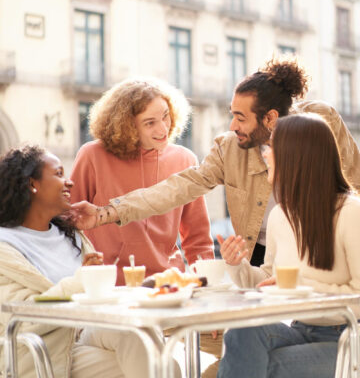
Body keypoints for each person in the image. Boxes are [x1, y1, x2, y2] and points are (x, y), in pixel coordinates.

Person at [70, 58, 360, 268]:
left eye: (241, 117)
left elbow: (355, 180)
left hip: (321, 246)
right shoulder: (230, 148)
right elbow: (175, 189)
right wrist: (105, 213)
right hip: (259, 256)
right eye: (231, 114)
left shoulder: (321, 123)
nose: (232, 125)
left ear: (270, 118)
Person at [0, 145, 180, 378]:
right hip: (44, 349)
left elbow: (96, 296)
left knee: (138, 330)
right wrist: (81, 280)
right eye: (58, 174)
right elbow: (20, 320)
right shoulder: (6, 246)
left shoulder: (70, 235)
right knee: (158, 367)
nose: (69, 182)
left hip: (84, 332)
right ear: (33, 184)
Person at [217, 113, 360, 378]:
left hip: (348, 339)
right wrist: (238, 266)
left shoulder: (351, 213)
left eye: (271, 147)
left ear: (297, 156)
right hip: (299, 328)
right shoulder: (281, 215)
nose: (265, 155)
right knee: (241, 330)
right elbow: (271, 281)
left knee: (260, 367)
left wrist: (302, 286)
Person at [70, 77, 213, 285]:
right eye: (150, 123)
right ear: (127, 126)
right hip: (109, 285)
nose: (163, 129)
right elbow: (68, 225)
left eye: (166, 117)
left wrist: (206, 282)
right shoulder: (93, 155)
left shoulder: (185, 159)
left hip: (168, 284)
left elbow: (198, 239)